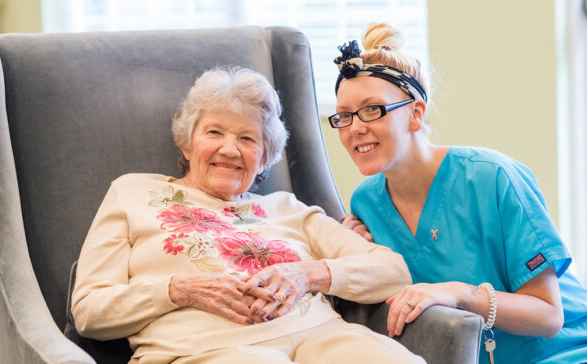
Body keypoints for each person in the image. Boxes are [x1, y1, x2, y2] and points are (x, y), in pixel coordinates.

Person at [71, 67, 424, 364]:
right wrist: (178, 290)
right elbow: (89, 312)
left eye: (247, 138)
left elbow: (393, 271)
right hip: (205, 350)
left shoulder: (288, 209)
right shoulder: (133, 194)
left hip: (322, 339)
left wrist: (308, 274)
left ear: (265, 156)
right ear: (187, 142)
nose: (229, 149)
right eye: (214, 132)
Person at [331, 22, 587, 364]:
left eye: (372, 110)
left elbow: (549, 316)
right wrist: (356, 253)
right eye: (343, 116)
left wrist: (460, 294)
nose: (355, 128)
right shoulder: (365, 204)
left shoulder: (493, 178)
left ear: (415, 114)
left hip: (569, 348)